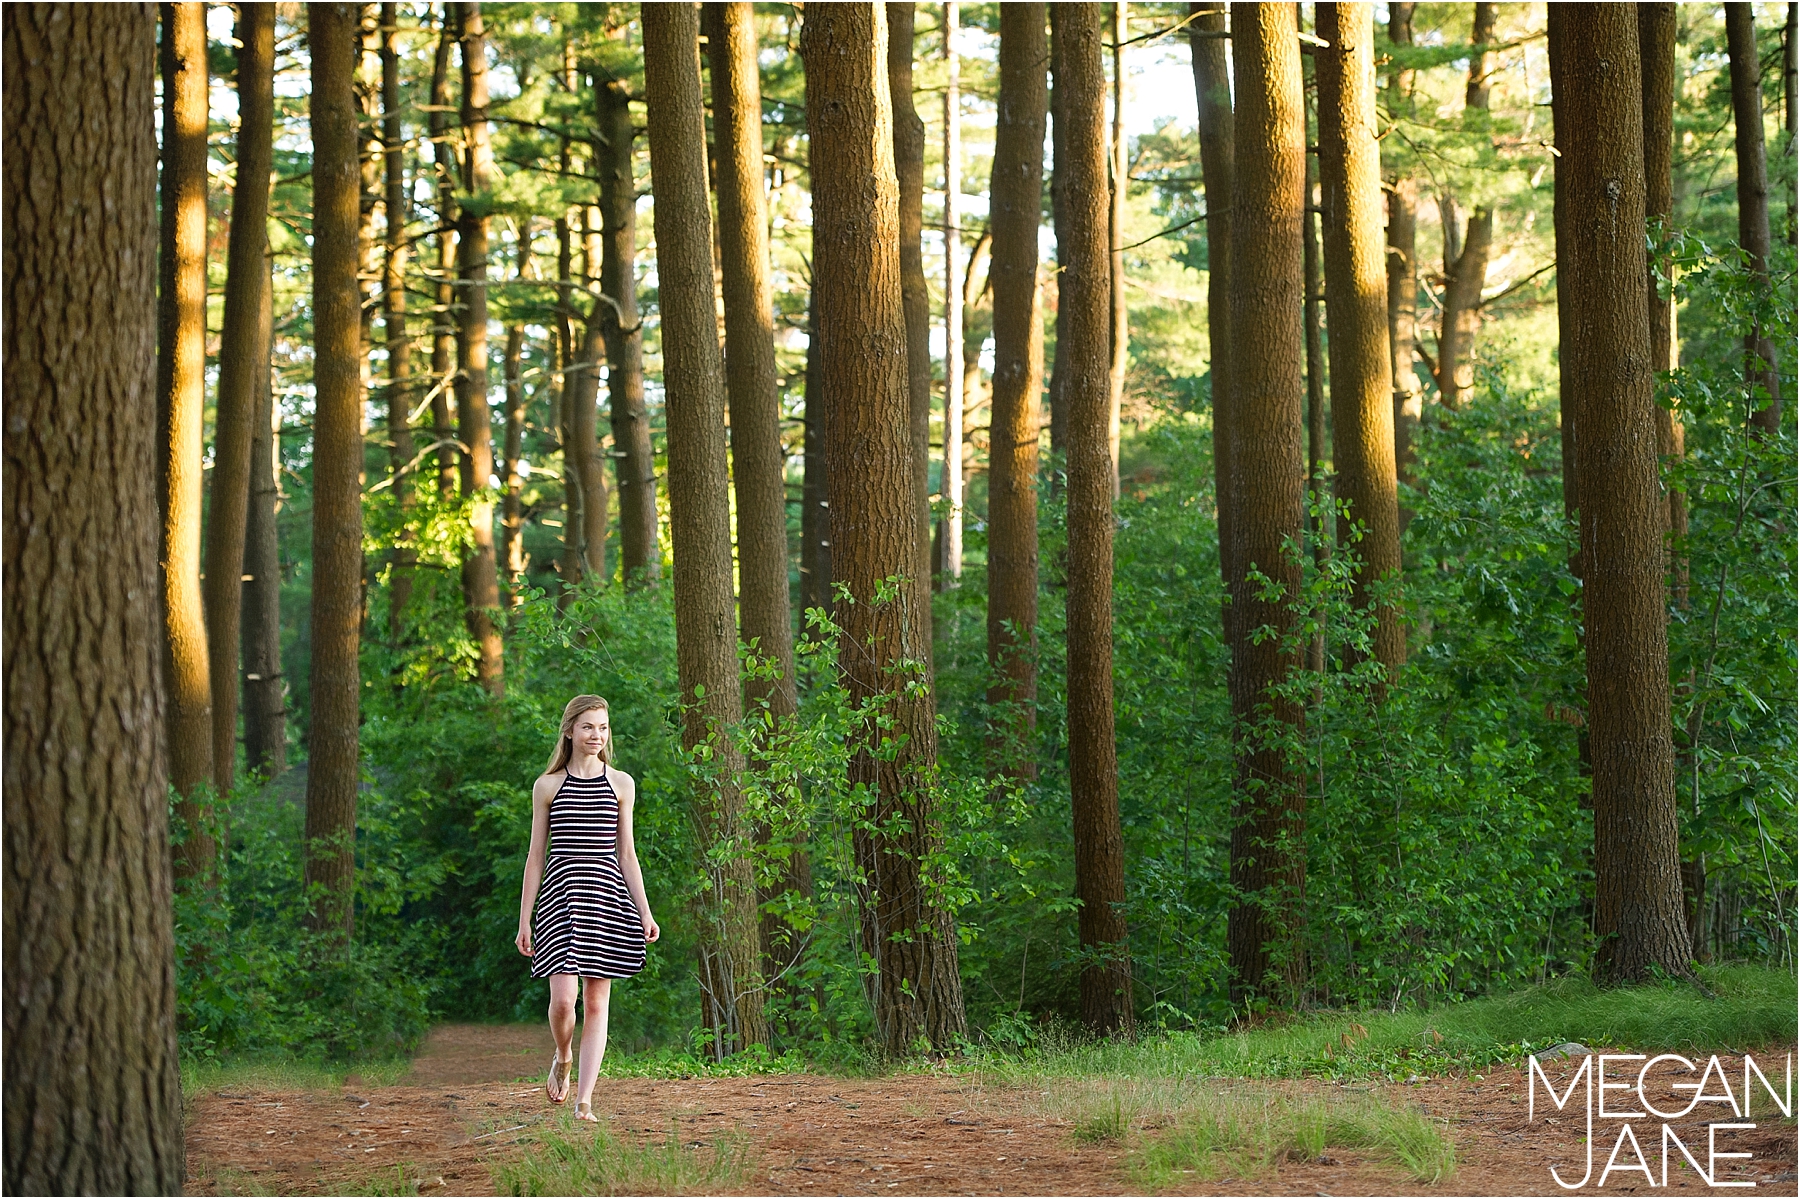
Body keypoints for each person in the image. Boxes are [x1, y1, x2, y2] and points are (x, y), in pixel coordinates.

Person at [517, 695, 660, 1122]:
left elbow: (627, 855)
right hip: (560, 900)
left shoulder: (622, 784)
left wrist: (646, 912)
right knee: (564, 1003)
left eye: (602, 727)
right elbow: (535, 857)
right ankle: (563, 1055)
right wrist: (524, 919)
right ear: (569, 731)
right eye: (588, 727)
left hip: (608, 901)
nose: (596, 735)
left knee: (597, 1003)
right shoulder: (548, 786)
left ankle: (585, 1101)